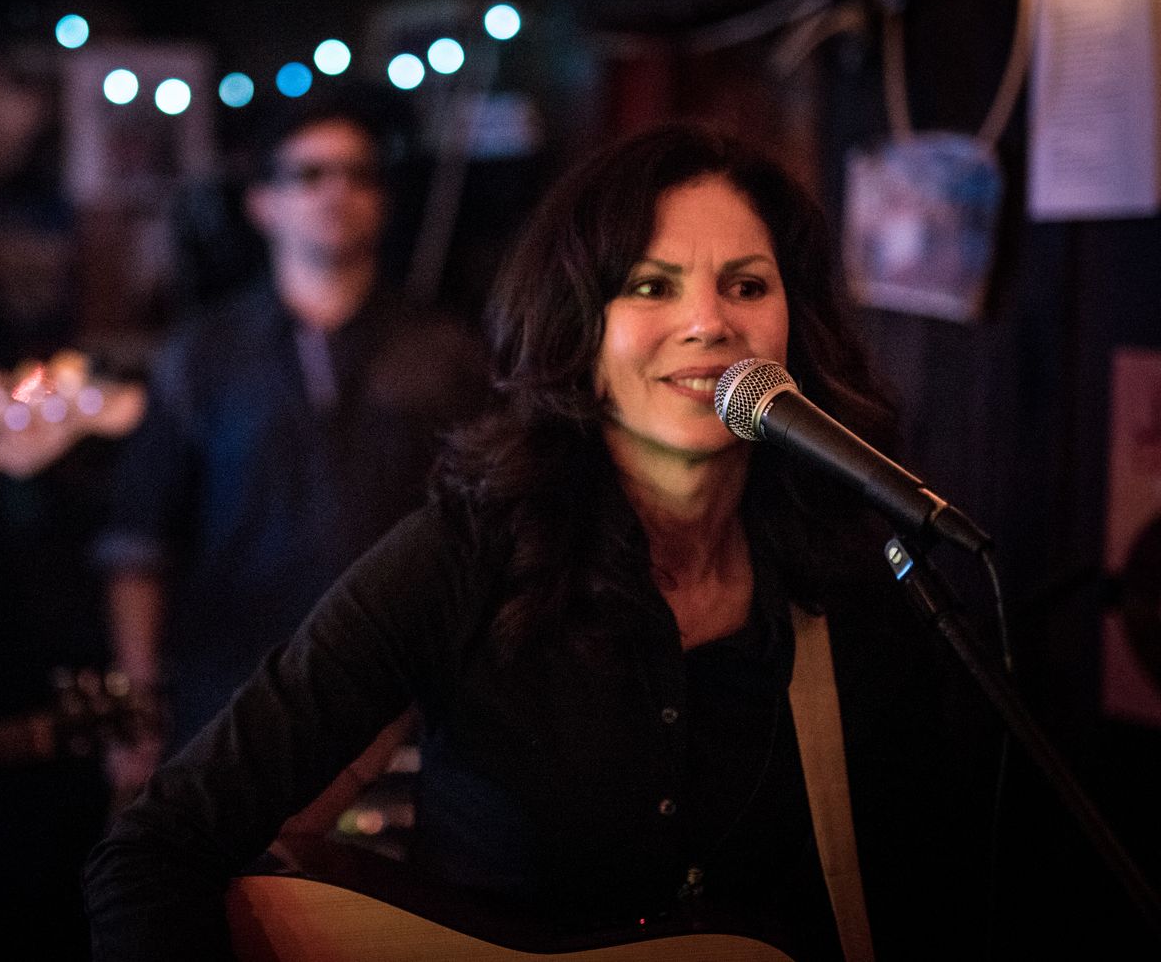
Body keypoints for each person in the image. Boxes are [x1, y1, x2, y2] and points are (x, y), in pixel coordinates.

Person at [84, 124, 980, 960]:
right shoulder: (472, 553)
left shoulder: (853, 582)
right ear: (578, 326)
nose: (709, 322)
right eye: (651, 285)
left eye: (746, 286)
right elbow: (150, 855)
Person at [93, 96, 489, 798]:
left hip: (406, 703)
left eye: (358, 174)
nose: (336, 191)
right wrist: (139, 703)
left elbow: (490, 528)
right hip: (231, 696)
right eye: (309, 175)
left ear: (382, 201)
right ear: (262, 203)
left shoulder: (444, 352)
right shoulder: (202, 355)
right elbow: (139, 541)